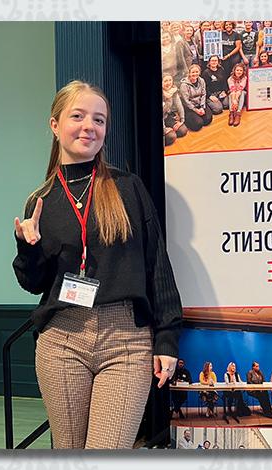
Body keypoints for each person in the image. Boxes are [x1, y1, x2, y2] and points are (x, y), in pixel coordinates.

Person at [12, 80, 183, 449]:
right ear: (55, 125)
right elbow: (35, 282)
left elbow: (157, 265)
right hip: (62, 339)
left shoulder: (128, 188)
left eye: (99, 120)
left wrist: (167, 338)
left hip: (125, 341)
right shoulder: (40, 201)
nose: (90, 126)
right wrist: (27, 249)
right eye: (78, 116)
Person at [179, 64, 213, 132]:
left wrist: (202, 107)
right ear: (189, 73)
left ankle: (198, 116)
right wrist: (195, 110)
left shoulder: (202, 81)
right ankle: (188, 119)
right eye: (193, 72)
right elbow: (186, 101)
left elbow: (204, 94)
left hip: (200, 104)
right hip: (190, 107)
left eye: (197, 72)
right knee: (198, 125)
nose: (195, 74)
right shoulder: (184, 85)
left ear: (199, 72)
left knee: (208, 120)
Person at [162, 74, 188, 146]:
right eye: (165, 81)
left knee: (183, 130)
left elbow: (179, 105)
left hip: (167, 116)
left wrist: (182, 120)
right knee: (171, 137)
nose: (168, 83)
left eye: (170, 80)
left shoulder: (173, 91)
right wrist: (164, 130)